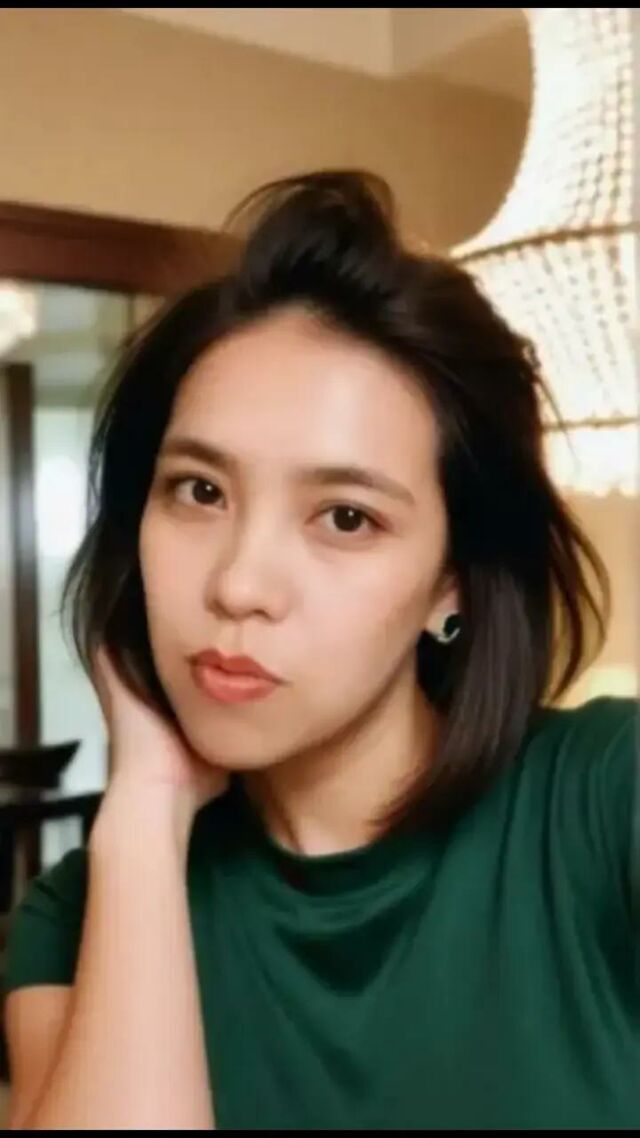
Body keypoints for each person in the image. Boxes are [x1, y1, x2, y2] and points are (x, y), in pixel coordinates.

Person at [2, 171, 638, 1130]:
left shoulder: (608, 800)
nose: (238, 585)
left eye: (345, 517)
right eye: (199, 491)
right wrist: (146, 808)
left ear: (454, 581)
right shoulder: (80, 912)